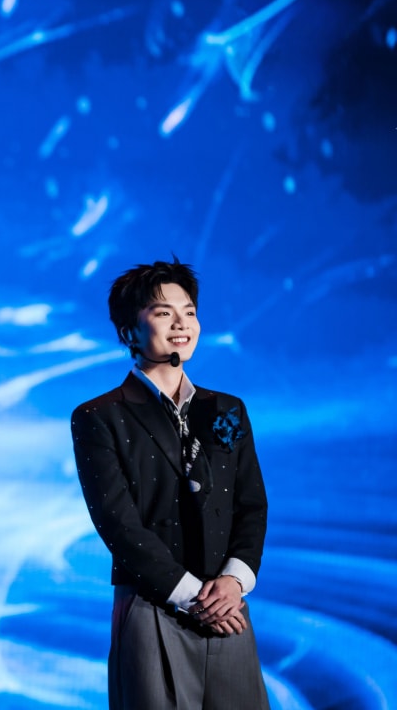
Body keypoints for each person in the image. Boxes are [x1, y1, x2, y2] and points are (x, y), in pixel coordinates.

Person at [71, 259, 269, 709]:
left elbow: (251, 504)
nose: (182, 323)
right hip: (152, 606)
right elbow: (117, 522)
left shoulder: (227, 409)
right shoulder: (99, 416)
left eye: (189, 312)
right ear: (129, 331)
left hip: (229, 607)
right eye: (163, 313)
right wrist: (192, 597)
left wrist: (234, 582)